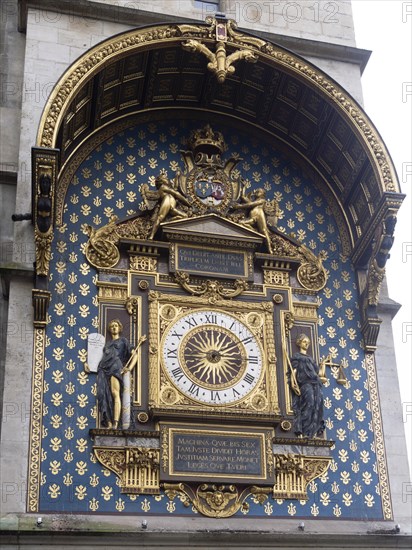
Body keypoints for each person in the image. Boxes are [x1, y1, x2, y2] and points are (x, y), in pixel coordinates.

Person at [97, 319, 132, 429]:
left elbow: (135, 355)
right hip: (104, 368)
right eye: (112, 326)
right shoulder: (107, 344)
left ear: (119, 328)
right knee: (104, 394)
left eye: (116, 325)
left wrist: (129, 368)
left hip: (115, 367)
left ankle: (116, 422)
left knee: (114, 392)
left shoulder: (123, 341)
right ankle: (109, 421)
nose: (114, 327)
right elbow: (99, 358)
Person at [289, 333, 325, 438]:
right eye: (305, 342)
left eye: (308, 343)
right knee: (308, 403)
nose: (307, 344)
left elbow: (318, 373)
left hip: (316, 383)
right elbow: (294, 371)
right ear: (299, 343)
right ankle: (305, 430)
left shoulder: (310, 358)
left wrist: (323, 364)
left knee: (317, 405)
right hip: (305, 383)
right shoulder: (297, 357)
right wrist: (293, 383)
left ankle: (312, 432)